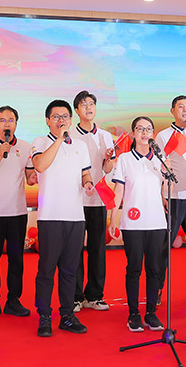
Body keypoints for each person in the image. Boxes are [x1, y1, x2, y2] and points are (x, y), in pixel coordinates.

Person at [31, 100, 94, 337]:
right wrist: (59, 139)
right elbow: (40, 166)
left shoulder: (80, 146)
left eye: (65, 116)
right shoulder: (41, 142)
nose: (61, 120)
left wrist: (88, 182)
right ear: (48, 120)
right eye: (56, 116)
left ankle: (67, 315)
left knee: (70, 270)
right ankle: (44, 316)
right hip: (50, 217)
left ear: (71, 119)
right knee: (47, 269)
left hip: (76, 217)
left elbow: (85, 172)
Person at [0, 106, 37, 319]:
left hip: (17, 213)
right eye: (2, 120)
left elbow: (30, 178)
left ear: (16, 124)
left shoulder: (26, 147)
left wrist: (36, 177)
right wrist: (1, 154)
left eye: (11, 120)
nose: (7, 124)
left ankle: (13, 301)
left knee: (16, 259)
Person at [109, 116, 168, 332]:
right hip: (132, 222)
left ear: (153, 134)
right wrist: (113, 218)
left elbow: (164, 191)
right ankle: (133, 314)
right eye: (140, 129)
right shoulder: (125, 159)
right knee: (134, 269)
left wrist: (165, 174)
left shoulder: (161, 159)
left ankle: (151, 312)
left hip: (157, 222)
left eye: (148, 129)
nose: (144, 133)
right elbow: (119, 191)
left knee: (154, 269)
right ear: (133, 133)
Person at [155, 95, 186, 304]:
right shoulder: (164, 135)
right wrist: (163, 195)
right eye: (181, 106)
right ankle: (157, 289)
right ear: (172, 111)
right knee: (164, 246)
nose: (185, 110)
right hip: (173, 197)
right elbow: (158, 166)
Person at [71, 90, 115, 312]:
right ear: (76, 110)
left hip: (98, 199)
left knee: (98, 249)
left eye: (91, 103)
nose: (88, 107)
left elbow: (108, 168)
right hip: (75, 199)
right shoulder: (69, 134)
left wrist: (108, 159)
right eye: (83, 104)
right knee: (75, 249)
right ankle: (75, 297)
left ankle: (95, 296)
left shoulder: (105, 136)